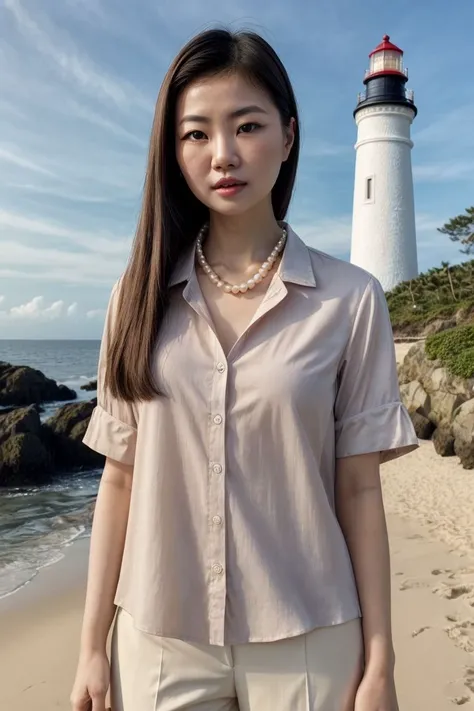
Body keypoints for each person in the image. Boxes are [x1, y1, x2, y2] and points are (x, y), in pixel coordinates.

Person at [70, 27, 419, 711]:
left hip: (311, 631)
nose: (223, 154)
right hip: (162, 636)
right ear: (172, 153)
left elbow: (360, 492)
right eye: (195, 134)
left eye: (247, 125)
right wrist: (90, 645)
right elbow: (118, 478)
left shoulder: (351, 301)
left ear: (288, 135)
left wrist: (380, 658)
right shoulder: (135, 298)